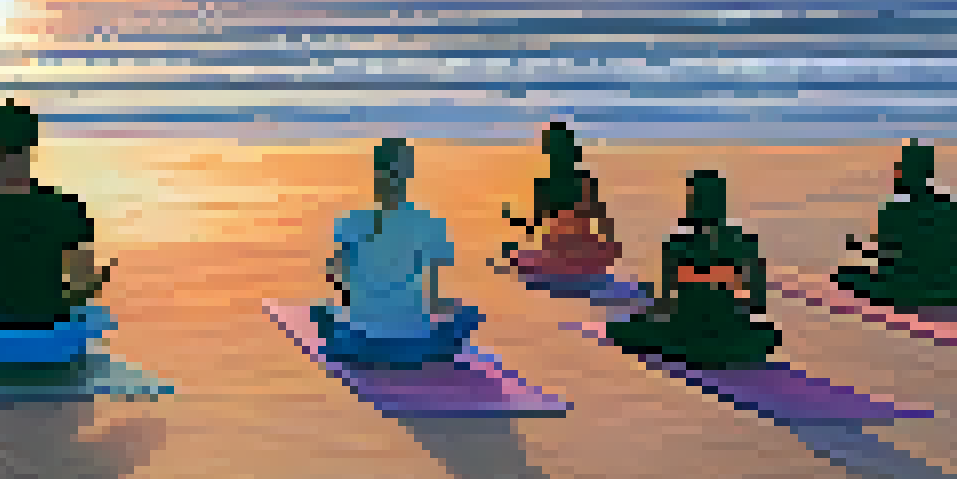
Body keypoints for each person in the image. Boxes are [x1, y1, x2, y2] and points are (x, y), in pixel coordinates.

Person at [0, 99, 114, 362]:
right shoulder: (68, 207)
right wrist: (100, 278)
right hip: (53, 337)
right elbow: (81, 286)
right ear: (32, 143)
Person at [314, 138, 482, 368]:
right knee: (468, 314)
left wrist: (357, 303)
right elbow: (433, 299)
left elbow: (335, 276)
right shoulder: (431, 223)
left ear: (375, 173)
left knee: (321, 312)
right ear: (409, 174)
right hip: (414, 344)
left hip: (359, 345)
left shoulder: (351, 221)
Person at [605, 169, 782, 369]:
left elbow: (667, 301)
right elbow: (757, 302)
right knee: (767, 334)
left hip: (689, 332)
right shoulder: (743, 243)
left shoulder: (678, 244)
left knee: (625, 328)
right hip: (728, 331)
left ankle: (693, 347)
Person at [834, 140, 957, 311]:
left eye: (901, 169)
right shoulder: (954, 208)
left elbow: (888, 258)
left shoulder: (894, 211)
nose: (897, 174)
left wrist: (861, 251)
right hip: (953, 291)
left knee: (847, 275)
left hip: (911, 292)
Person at [505, 117, 622, 278]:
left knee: (520, 256)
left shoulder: (548, 185)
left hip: (564, 253)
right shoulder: (582, 181)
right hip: (576, 252)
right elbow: (602, 219)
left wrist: (515, 221)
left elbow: (535, 226)